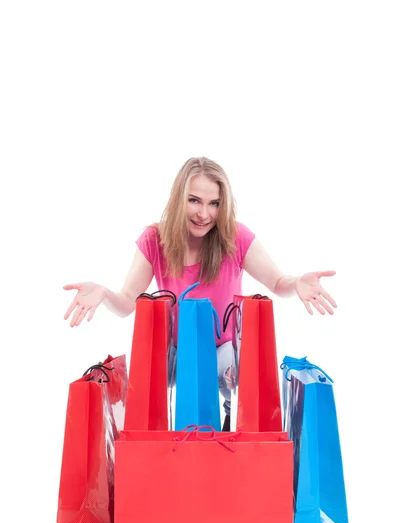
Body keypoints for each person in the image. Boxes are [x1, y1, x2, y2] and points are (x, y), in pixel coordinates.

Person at [64, 156, 337, 431]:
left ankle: (232, 419)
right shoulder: (154, 240)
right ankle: (152, 441)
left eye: (214, 204)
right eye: (194, 200)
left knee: (236, 376)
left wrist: (297, 283)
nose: (203, 214)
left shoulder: (236, 237)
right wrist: (103, 293)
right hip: (176, 348)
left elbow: (277, 282)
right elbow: (125, 303)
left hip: (223, 349)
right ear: (178, 199)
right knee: (140, 376)